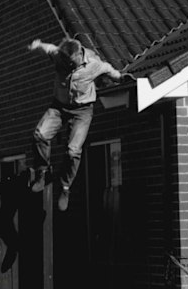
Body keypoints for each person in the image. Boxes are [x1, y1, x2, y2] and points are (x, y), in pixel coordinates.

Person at [28, 37, 122, 210]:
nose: (68, 65)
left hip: (82, 111)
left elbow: (108, 69)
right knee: (39, 134)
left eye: (71, 62)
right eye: (65, 61)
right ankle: (42, 172)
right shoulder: (58, 55)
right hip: (59, 107)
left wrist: (120, 77)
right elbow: (48, 47)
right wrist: (37, 45)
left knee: (73, 151)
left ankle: (65, 187)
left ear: (79, 55)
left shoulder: (93, 63)